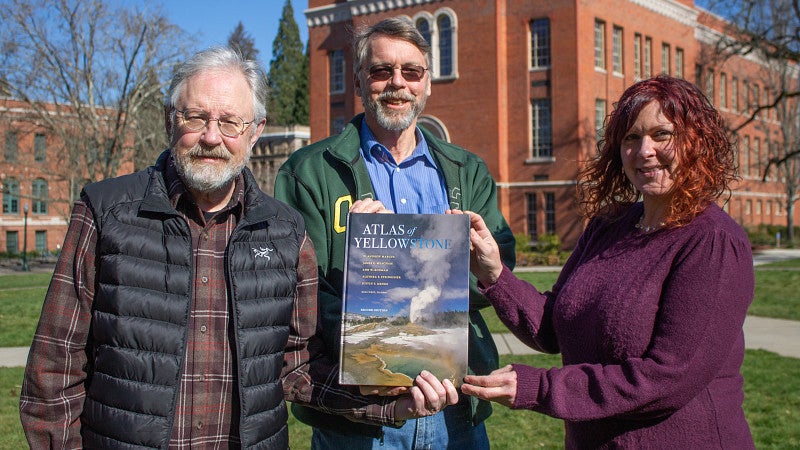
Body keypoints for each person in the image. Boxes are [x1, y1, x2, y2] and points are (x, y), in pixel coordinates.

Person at [19, 46, 453, 449]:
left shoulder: (285, 232)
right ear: (171, 119)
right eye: (195, 118)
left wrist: (391, 403)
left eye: (230, 122)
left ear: (255, 131)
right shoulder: (105, 212)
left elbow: (298, 369)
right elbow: (52, 372)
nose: (212, 137)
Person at [457, 75, 755, 448]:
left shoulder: (712, 241)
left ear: (696, 142)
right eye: (631, 138)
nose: (644, 150)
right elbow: (553, 326)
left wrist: (540, 387)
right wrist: (494, 273)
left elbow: (667, 378)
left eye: (661, 134)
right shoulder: (608, 227)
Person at [275, 16, 516, 450]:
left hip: (453, 409)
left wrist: (481, 266)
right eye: (381, 71)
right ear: (359, 82)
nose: (397, 83)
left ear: (427, 83)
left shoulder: (467, 170)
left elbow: (500, 270)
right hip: (357, 417)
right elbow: (297, 292)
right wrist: (361, 284)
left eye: (411, 72)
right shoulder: (309, 172)